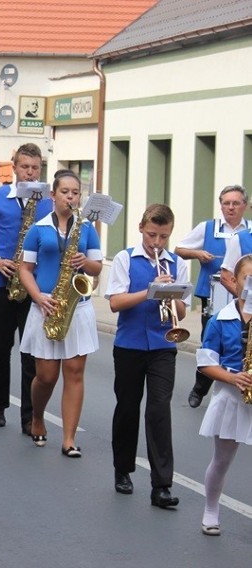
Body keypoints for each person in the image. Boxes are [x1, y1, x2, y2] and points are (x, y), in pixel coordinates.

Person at [106, 203, 190, 508]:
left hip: (163, 345)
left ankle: (162, 485)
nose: (157, 243)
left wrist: (174, 295)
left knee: (158, 410)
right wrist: (150, 291)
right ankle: (123, 470)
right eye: (152, 234)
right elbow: (115, 303)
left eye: (163, 237)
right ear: (141, 227)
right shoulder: (124, 259)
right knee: (128, 407)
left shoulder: (177, 263)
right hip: (129, 344)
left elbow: (181, 311)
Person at [0, 143, 53, 432]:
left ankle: (30, 416)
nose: (30, 173)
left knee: (31, 352)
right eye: (25, 167)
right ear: (14, 167)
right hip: (1, 282)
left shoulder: (49, 201)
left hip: (35, 285)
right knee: (0, 348)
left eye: (35, 168)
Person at [17, 171, 103, 456]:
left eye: (75, 192)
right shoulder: (38, 229)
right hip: (47, 305)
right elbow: (25, 270)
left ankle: (69, 438)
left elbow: (97, 268)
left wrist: (85, 263)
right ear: (53, 195)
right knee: (46, 376)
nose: (70, 197)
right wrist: (38, 296)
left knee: (75, 373)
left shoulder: (87, 227)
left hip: (77, 307)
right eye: (65, 191)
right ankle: (38, 416)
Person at [177, 184, 250, 408]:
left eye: (235, 203)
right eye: (226, 203)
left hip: (246, 298)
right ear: (220, 205)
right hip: (214, 293)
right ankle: (200, 388)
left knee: (242, 344)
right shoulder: (208, 227)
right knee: (212, 344)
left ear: (244, 206)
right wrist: (197, 253)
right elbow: (180, 248)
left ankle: (242, 382)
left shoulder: (248, 231)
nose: (230, 208)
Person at [196, 253, 252, 536]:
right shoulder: (220, 319)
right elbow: (205, 363)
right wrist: (232, 377)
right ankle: (211, 509)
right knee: (222, 460)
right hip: (231, 398)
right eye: (248, 278)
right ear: (234, 281)